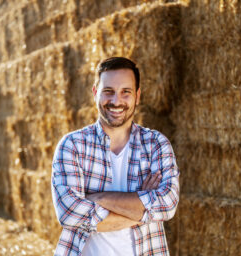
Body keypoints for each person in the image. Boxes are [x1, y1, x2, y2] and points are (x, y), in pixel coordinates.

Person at [51, 57, 180, 256]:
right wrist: (143, 206)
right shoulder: (73, 145)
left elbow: (167, 205)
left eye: (125, 92)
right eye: (108, 91)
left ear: (137, 96)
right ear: (95, 93)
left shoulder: (156, 145)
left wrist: (98, 198)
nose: (116, 101)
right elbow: (69, 214)